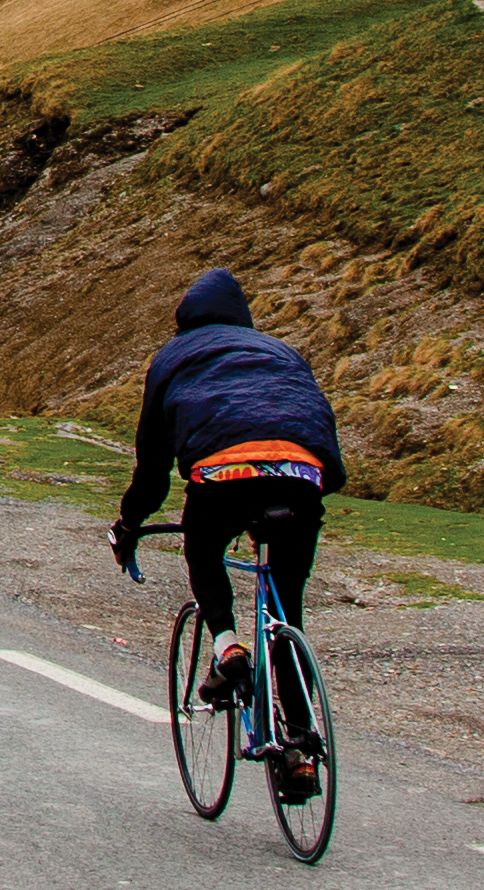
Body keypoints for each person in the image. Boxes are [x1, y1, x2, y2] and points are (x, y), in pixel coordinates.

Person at [109, 268, 344, 724]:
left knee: (202, 548)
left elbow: (153, 469)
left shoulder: (172, 357)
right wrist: (318, 484)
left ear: (185, 318)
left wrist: (130, 523)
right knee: (286, 608)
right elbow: (318, 423)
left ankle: (228, 647)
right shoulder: (282, 352)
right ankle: (299, 746)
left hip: (224, 474)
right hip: (302, 473)